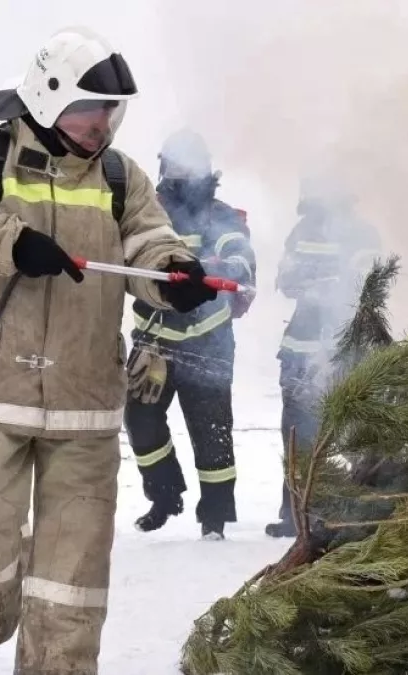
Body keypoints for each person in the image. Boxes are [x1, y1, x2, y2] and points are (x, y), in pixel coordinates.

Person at [0, 26, 215, 675]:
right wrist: (10, 242)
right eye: (89, 109)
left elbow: (148, 242)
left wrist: (173, 273)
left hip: (84, 402)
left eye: (111, 111)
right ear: (48, 97)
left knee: (74, 568)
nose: (102, 124)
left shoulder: (120, 176)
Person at [124, 129, 256, 540]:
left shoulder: (221, 215)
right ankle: (164, 496)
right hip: (154, 342)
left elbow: (240, 253)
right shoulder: (149, 212)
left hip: (208, 344)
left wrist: (222, 268)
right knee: (140, 421)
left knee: (211, 431)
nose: (181, 173)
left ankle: (214, 518)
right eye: (176, 164)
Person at [265, 172, 381, 538]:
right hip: (298, 349)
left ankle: (357, 509)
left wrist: (330, 289)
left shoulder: (362, 234)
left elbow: (366, 287)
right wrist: (304, 280)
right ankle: (295, 515)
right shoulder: (301, 232)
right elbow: (284, 279)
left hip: (343, 349)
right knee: (296, 435)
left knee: (349, 434)